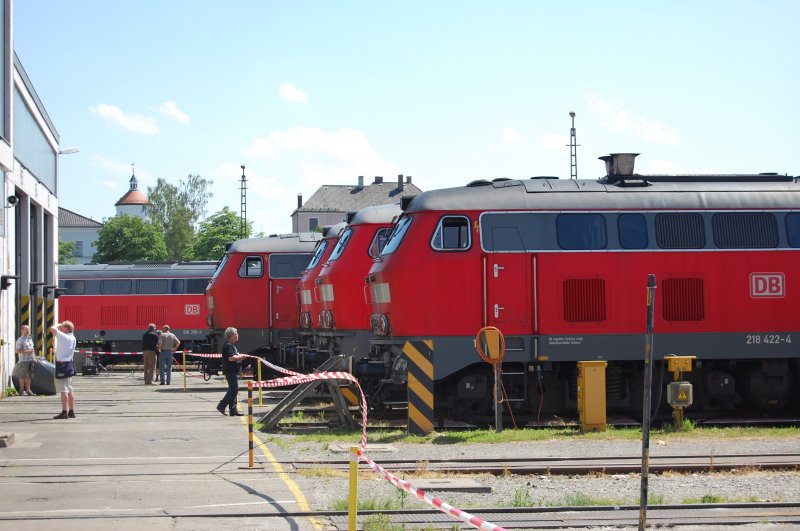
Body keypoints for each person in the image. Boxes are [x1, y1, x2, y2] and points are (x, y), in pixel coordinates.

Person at [216, 327, 246, 416]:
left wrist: (239, 356)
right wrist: (241, 357)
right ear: (232, 335)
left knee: (233, 389)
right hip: (230, 370)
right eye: (236, 333)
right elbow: (231, 358)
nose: (238, 335)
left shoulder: (231, 345)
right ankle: (221, 405)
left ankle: (233, 410)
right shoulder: (228, 345)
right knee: (234, 389)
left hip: (232, 370)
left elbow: (234, 356)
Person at [51, 321, 77, 419]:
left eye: (62, 328)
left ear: (66, 328)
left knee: (63, 390)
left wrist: (58, 325)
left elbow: (52, 329)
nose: (61, 329)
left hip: (61, 365)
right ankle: (72, 411)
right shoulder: (73, 338)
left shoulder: (64, 337)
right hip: (69, 364)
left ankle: (64, 412)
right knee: (70, 389)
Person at [15, 324, 36, 396]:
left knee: (29, 376)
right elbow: (17, 351)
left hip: (30, 360)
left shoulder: (29, 339)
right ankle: (21, 391)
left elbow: (33, 349)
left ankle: (28, 390)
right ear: (22, 330)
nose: (28, 331)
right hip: (24, 361)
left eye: (28, 330)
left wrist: (34, 357)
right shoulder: (20, 340)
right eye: (26, 330)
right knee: (23, 376)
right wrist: (27, 352)